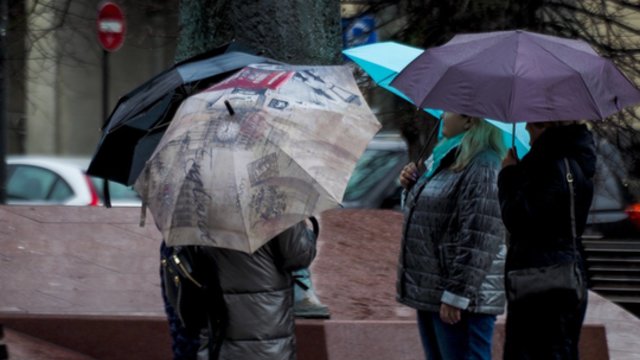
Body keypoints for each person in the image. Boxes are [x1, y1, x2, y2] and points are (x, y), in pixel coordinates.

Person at [397, 112, 507, 360]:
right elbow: (434, 220)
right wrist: (412, 187)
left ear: (469, 120)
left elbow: (481, 235)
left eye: (449, 110)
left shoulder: (484, 164)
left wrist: (457, 294)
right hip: (434, 291)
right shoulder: (444, 159)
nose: (443, 115)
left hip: (462, 300)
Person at [498, 121, 596, 359]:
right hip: (566, 271)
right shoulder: (574, 160)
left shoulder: (547, 165)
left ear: (544, 124)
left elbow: (519, 219)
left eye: (530, 125)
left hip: (540, 277)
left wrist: (509, 174)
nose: (527, 132)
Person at [199, 220, 317, 359]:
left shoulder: (198, 202)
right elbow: (298, 256)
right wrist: (306, 231)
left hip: (217, 323)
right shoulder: (275, 202)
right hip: (266, 323)